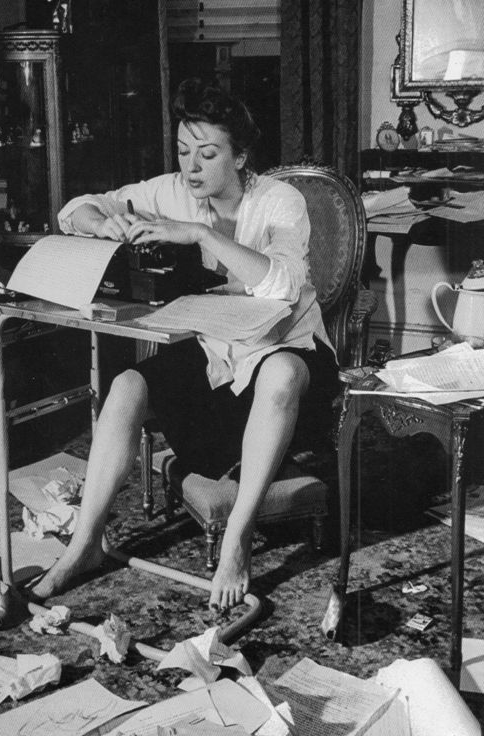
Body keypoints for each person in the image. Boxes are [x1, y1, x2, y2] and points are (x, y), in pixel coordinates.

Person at [30, 78, 339, 610]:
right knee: (127, 385)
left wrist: (198, 234)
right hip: (218, 348)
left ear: (241, 156)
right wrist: (103, 222)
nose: (191, 167)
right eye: (182, 151)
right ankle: (85, 545)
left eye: (208, 153)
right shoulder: (174, 190)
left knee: (281, 373)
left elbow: (282, 285)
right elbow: (78, 206)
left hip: (289, 351)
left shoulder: (281, 201)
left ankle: (237, 540)